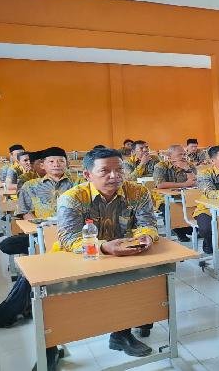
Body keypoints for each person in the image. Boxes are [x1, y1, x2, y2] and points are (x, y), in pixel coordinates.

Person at [54, 148, 159, 363]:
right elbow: (69, 239)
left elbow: (148, 223)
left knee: (148, 280)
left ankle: (122, 333)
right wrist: (103, 248)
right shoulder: (72, 198)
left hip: (126, 254)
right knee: (55, 303)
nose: (114, 176)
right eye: (105, 171)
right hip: (84, 256)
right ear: (87, 175)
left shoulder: (138, 192)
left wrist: (146, 236)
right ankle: (50, 344)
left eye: (119, 169)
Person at [153, 144, 196, 242]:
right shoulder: (161, 166)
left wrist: (187, 169)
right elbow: (160, 184)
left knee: (194, 205)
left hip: (185, 196)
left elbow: (194, 181)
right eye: (180, 154)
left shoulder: (189, 165)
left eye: (184, 154)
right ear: (169, 156)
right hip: (164, 198)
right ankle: (179, 231)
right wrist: (184, 184)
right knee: (170, 207)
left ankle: (189, 228)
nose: (183, 157)